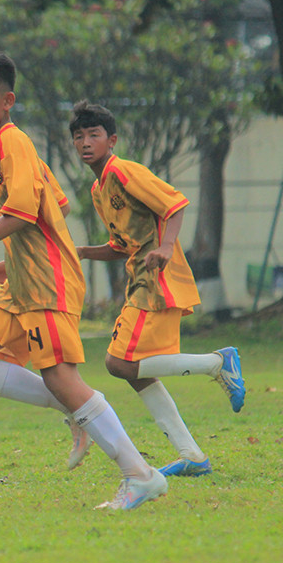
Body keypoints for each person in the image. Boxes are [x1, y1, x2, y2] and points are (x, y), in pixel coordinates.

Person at [0, 50, 167, 510]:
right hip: (21, 279)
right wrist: (11, 257)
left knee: (61, 376)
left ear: (7, 100)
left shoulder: (14, 143)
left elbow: (20, 211)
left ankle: (140, 475)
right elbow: (54, 204)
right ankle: (73, 410)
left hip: (47, 281)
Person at [66, 101, 245, 477]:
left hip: (158, 276)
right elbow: (120, 245)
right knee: (136, 371)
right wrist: (83, 251)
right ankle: (192, 455)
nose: (85, 143)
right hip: (141, 277)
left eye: (93, 135)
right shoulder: (100, 190)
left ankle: (217, 362)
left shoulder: (124, 171)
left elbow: (174, 204)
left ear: (111, 140)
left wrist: (165, 247)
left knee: (118, 363)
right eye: (79, 137)